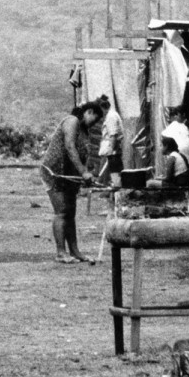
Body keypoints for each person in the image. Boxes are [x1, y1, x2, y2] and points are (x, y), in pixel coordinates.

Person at [40, 100, 105, 263]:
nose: (94, 124)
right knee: (61, 211)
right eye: (95, 119)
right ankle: (61, 253)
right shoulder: (72, 121)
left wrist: (86, 173)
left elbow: (84, 154)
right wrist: (83, 172)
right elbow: (69, 147)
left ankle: (75, 251)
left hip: (69, 174)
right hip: (55, 172)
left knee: (70, 213)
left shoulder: (84, 130)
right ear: (88, 112)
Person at [95, 95, 123, 187]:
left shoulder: (111, 116)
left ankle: (116, 188)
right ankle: (110, 187)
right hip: (111, 147)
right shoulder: (109, 115)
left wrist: (111, 148)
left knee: (114, 171)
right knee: (111, 170)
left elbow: (113, 134)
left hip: (113, 147)